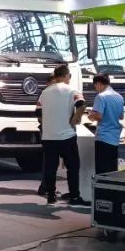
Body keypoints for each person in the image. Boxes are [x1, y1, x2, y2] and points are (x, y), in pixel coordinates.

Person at [38, 65, 89, 206]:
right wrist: (76, 118)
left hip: (48, 137)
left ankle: (51, 196)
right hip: (67, 136)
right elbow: (82, 104)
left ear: (55, 76)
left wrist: (49, 124)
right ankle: (74, 197)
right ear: (67, 75)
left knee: (50, 167)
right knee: (73, 167)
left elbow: (38, 114)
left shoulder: (44, 93)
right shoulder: (72, 90)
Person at [87, 74, 123, 175]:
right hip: (115, 138)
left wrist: (90, 115)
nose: (96, 89)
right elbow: (121, 116)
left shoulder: (101, 96)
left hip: (103, 137)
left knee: (102, 171)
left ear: (98, 83)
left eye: (95, 86)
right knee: (112, 171)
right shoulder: (119, 97)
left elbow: (99, 116)